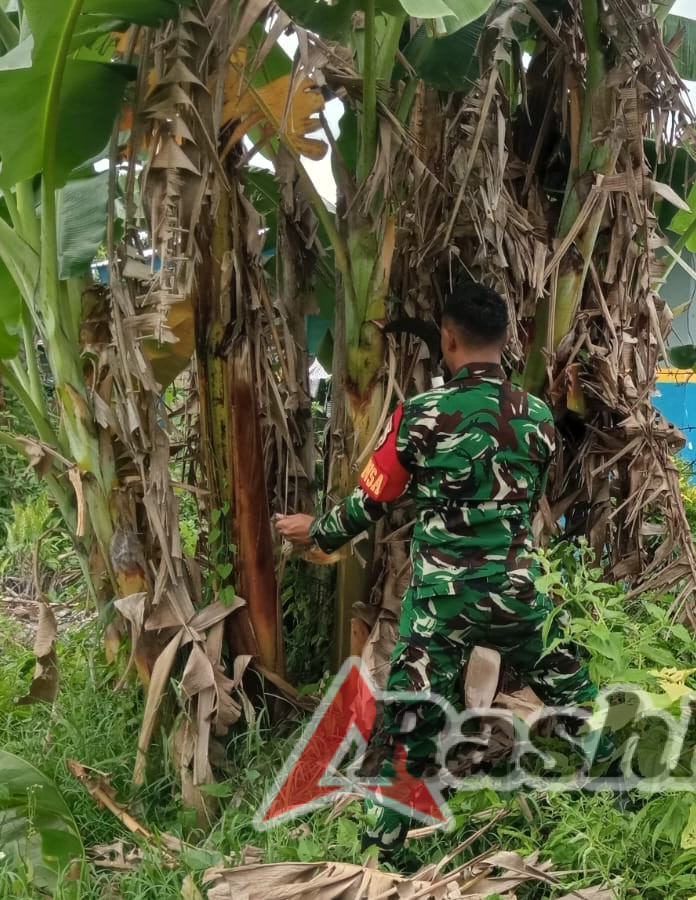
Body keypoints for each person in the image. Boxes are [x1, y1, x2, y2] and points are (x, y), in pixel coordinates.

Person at [274, 281, 595, 861]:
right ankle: (635, 807)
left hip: (440, 603)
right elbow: (536, 486)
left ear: (447, 340)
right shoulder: (540, 417)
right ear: (505, 341)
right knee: (577, 698)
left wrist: (314, 532)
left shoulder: (420, 415)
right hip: (519, 594)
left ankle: (382, 853)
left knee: (406, 726)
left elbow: (370, 503)